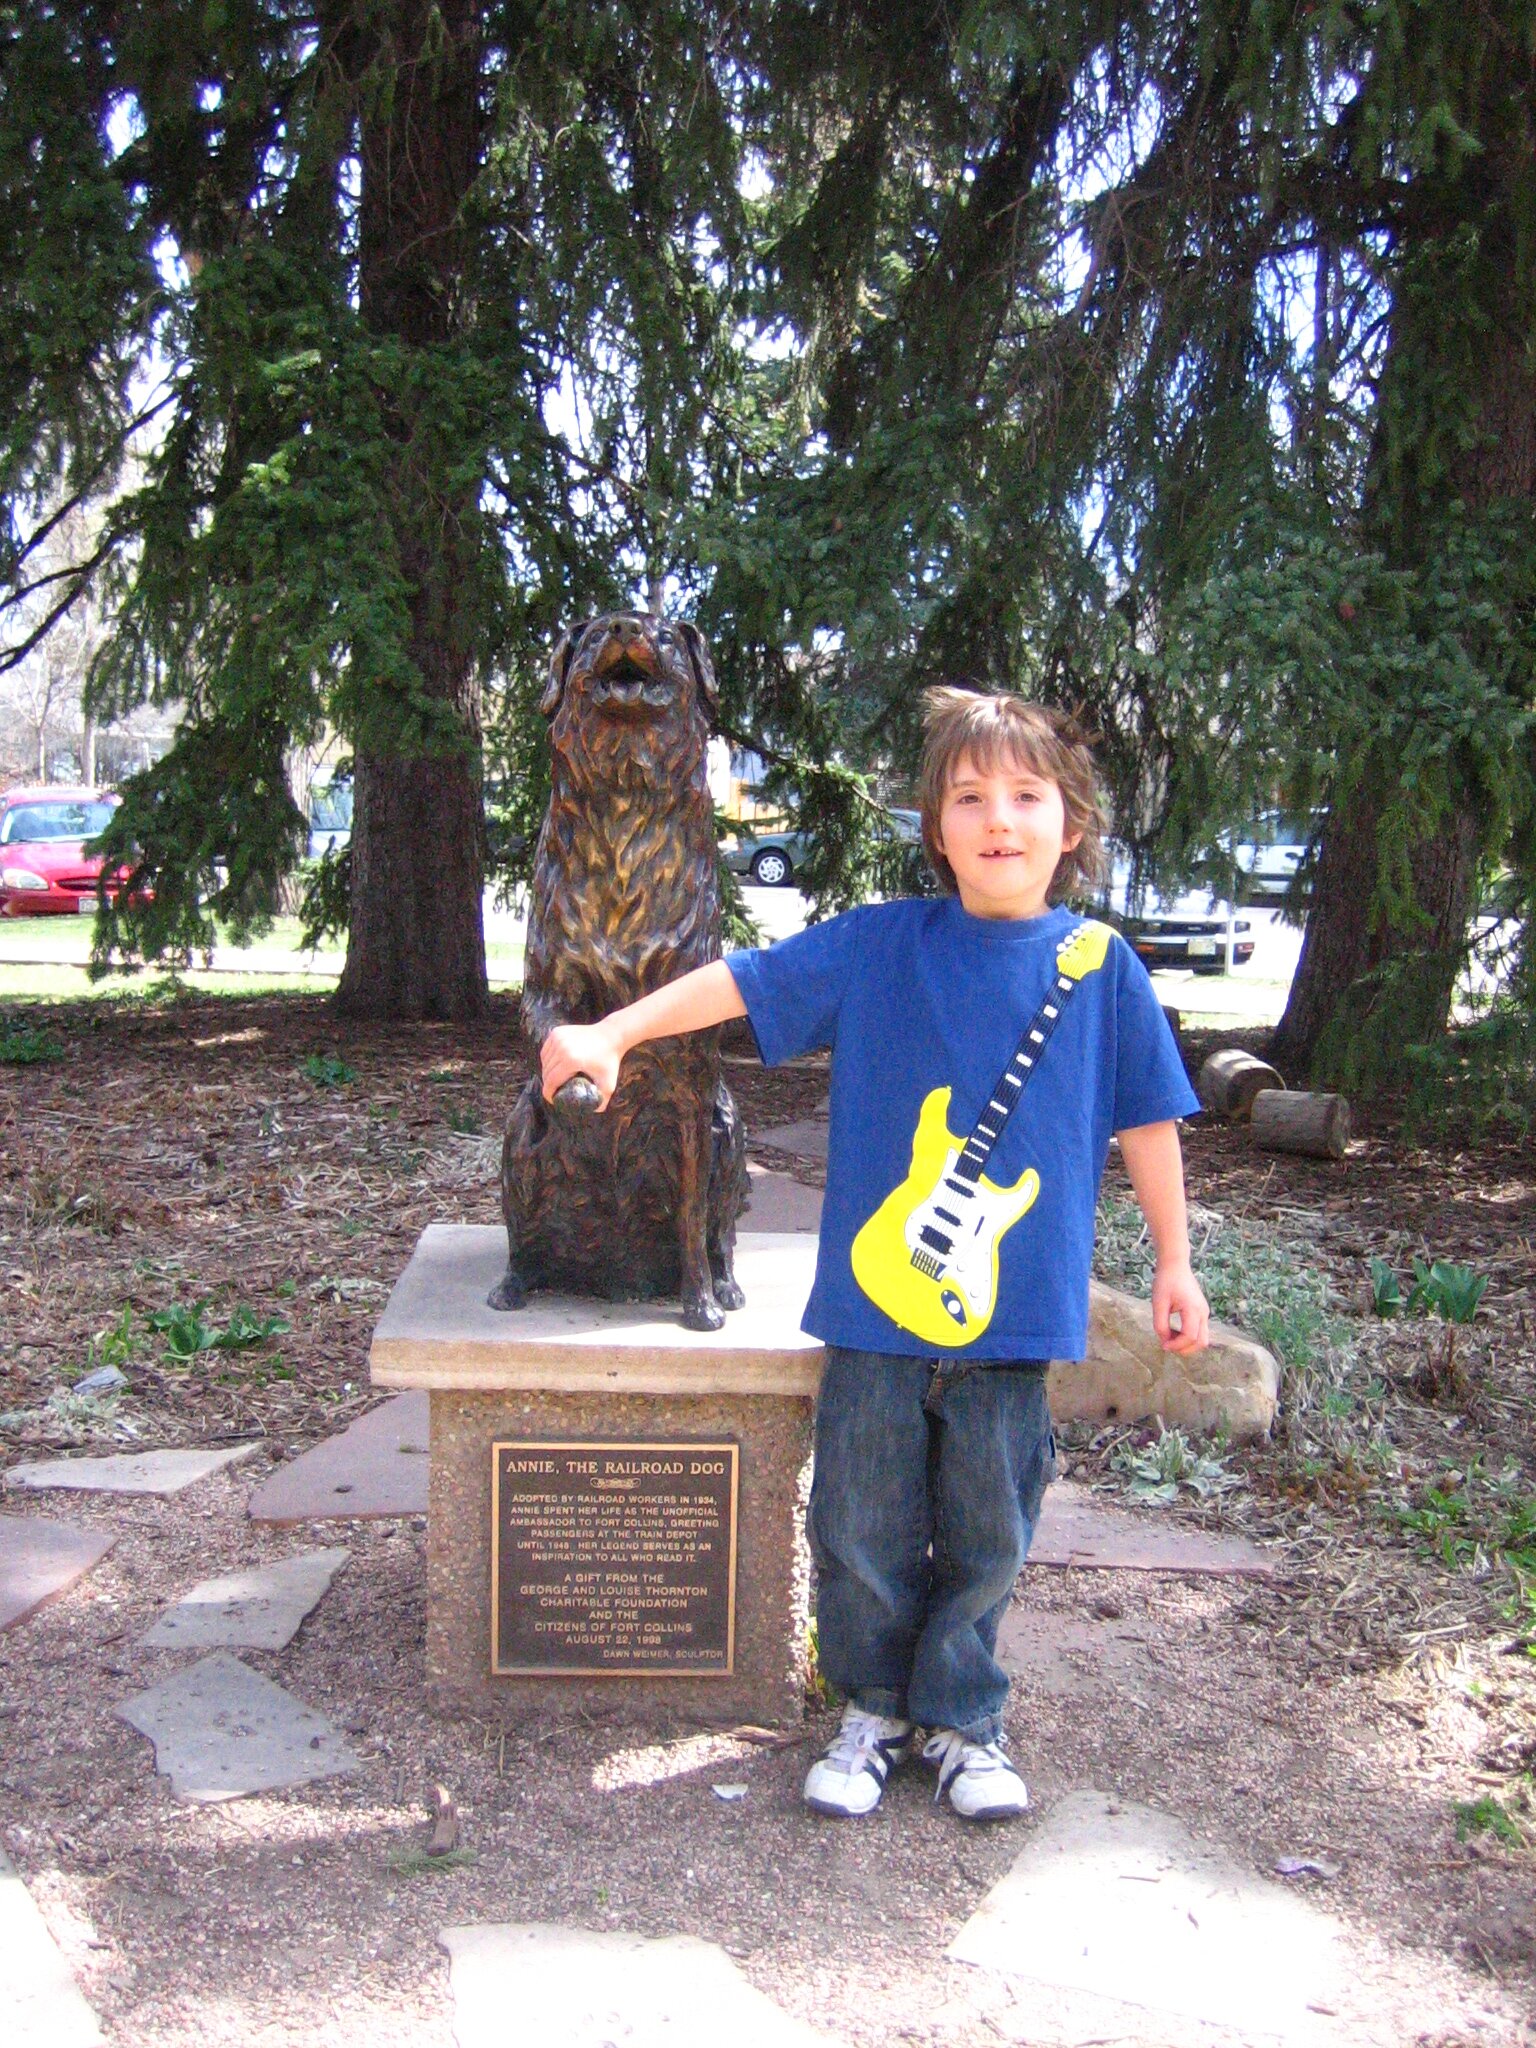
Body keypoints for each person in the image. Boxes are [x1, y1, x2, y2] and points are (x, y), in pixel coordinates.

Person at [540, 687, 1208, 1823]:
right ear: (935, 825)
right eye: (969, 797)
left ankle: (965, 1718)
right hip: (872, 1306)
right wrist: (613, 1030)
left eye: (1027, 795)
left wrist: (1174, 1262)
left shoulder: (1103, 967)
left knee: (992, 1528)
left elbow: (1148, 1120)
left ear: (1072, 823)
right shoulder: (882, 942)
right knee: (857, 1522)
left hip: (1014, 1311)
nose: (999, 819)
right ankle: (873, 1709)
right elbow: (744, 980)